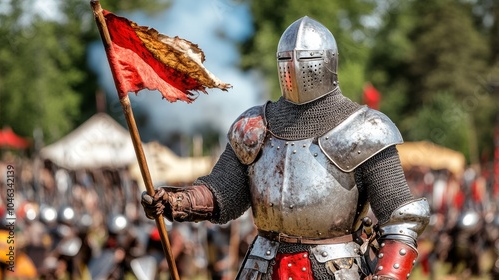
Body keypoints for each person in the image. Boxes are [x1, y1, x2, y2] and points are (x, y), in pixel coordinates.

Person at [141, 15, 430, 280]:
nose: (295, 68)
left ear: (328, 62)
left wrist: (387, 276)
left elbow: (401, 218)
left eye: (307, 60)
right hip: (263, 265)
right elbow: (222, 193)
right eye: (286, 60)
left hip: (336, 268)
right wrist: (179, 201)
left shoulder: (365, 128)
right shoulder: (254, 125)